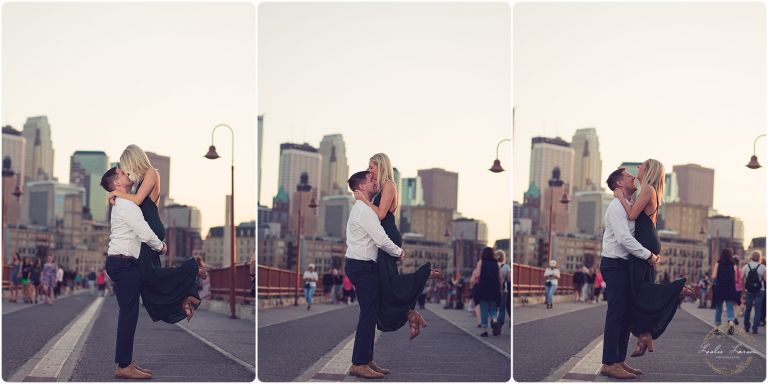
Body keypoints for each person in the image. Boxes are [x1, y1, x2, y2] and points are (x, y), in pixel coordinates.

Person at [107, 145, 204, 323]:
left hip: (151, 228)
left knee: (148, 275)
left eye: (127, 166)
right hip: (148, 229)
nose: (127, 172)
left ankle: (192, 269)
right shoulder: (142, 180)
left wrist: (115, 192)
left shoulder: (151, 173)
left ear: (133, 160)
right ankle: (184, 300)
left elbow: (137, 201)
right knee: (148, 277)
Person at [611, 160, 695, 359]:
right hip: (649, 239)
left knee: (638, 288)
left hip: (645, 241)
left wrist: (620, 195)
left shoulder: (647, 189)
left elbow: (631, 215)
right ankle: (645, 334)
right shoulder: (651, 191)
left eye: (641, 165)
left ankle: (677, 289)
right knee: (641, 289)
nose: (638, 168)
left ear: (648, 171)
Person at [353, 154, 440, 340]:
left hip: (388, 236)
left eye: (372, 167)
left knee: (389, 283)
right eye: (368, 167)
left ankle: (424, 273)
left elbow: (381, 214)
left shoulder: (389, 186)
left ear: (382, 167)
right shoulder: (382, 188)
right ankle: (411, 315)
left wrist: (362, 199)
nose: (369, 171)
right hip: (384, 236)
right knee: (386, 284)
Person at [100, 166, 166, 379]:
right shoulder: (126, 205)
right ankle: (124, 365)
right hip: (124, 263)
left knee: (129, 312)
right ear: (117, 183)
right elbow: (143, 231)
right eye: (121, 173)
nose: (126, 173)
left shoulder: (122, 201)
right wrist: (161, 246)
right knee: (128, 313)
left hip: (124, 262)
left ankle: (126, 361)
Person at [344, 170, 406, 379]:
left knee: (370, 313)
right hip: (362, 266)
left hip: (362, 265)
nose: (374, 180)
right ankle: (359, 363)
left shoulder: (363, 209)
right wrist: (399, 252)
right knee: (368, 315)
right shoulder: (364, 211)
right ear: (361, 187)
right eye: (370, 180)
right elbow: (380, 239)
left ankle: (366, 360)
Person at [599, 167, 659, 380]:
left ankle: (618, 360)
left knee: (624, 314)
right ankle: (608, 362)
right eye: (628, 176)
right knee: (616, 314)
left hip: (624, 265)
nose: (633, 176)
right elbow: (624, 239)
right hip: (614, 264)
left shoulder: (629, 205)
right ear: (618, 184)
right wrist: (648, 255)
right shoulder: (616, 206)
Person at [712, 248, 739, 335]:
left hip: (720, 286)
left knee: (719, 308)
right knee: (730, 307)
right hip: (730, 287)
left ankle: (717, 328)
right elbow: (734, 278)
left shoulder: (718, 263)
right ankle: (731, 322)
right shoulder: (733, 265)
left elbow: (714, 276)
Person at [477, 247, 502, 337]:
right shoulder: (496, 263)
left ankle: (485, 330)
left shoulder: (481, 262)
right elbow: (500, 277)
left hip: (484, 286)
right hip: (494, 287)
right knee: (492, 307)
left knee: (484, 308)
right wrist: (501, 288)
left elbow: (477, 274)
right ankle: (495, 320)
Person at [741, 251, 765, 334]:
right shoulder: (763, 267)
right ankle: (755, 328)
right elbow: (765, 280)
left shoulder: (746, 266)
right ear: (759, 257)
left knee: (748, 308)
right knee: (758, 309)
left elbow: (742, 278)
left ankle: (746, 326)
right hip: (760, 290)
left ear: (751, 257)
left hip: (749, 290)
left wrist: (744, 288)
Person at [496, 250, 511, 327]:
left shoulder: (493, 265)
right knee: (502, 309)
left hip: (493, 290)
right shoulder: (506, 267)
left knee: (493, 308)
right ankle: (499, 324)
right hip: (503, 290)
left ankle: (494, 322)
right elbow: (509, 280)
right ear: (503, 257)